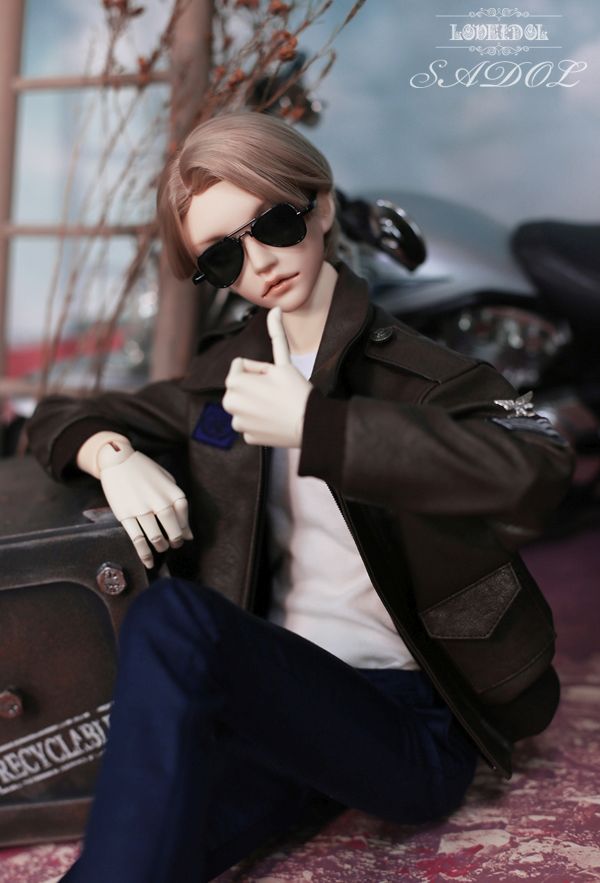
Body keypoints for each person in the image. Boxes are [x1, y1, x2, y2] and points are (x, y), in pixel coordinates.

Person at [26, 111, 574, 882]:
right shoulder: (225, 381)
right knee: (135, 855)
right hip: (277, 706)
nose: (259, 262)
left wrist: (320, 426)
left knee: (174, 618)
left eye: (273, 223)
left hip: (410, 723)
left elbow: (540, 464)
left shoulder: (425, 373)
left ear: (319, 208)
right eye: (223, 256)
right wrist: (112, 455)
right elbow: (53, 416)